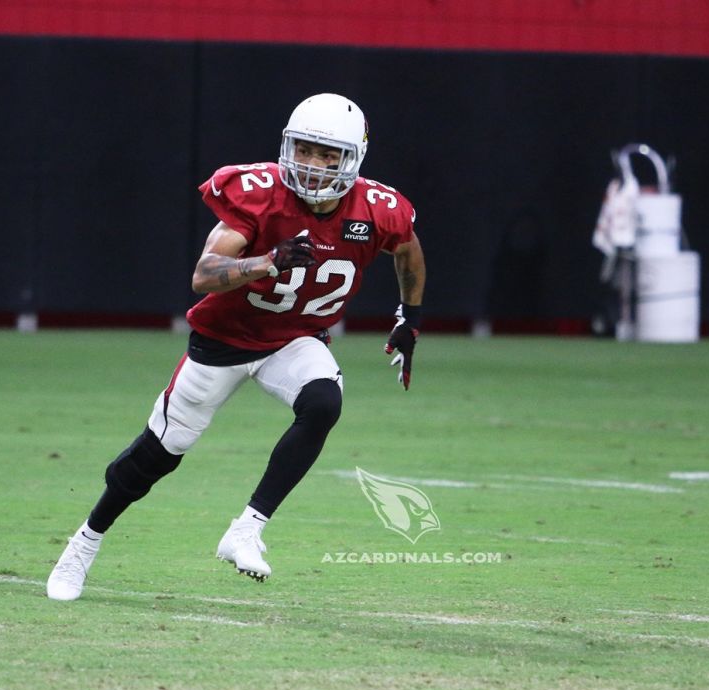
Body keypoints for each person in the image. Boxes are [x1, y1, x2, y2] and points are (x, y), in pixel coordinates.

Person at [47, 93, 427, 600]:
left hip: (293, 339)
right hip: (223, 342)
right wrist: (267, 261)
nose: (313, 165)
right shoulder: (259, 193)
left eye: (327, 154)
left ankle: (247, 529)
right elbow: (204, 275)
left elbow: (408, 252)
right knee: (159, 454)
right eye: (306, 150)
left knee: (323, 402)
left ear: (352, 158)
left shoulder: (380, 209)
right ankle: (83, 545)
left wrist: (410, 317)